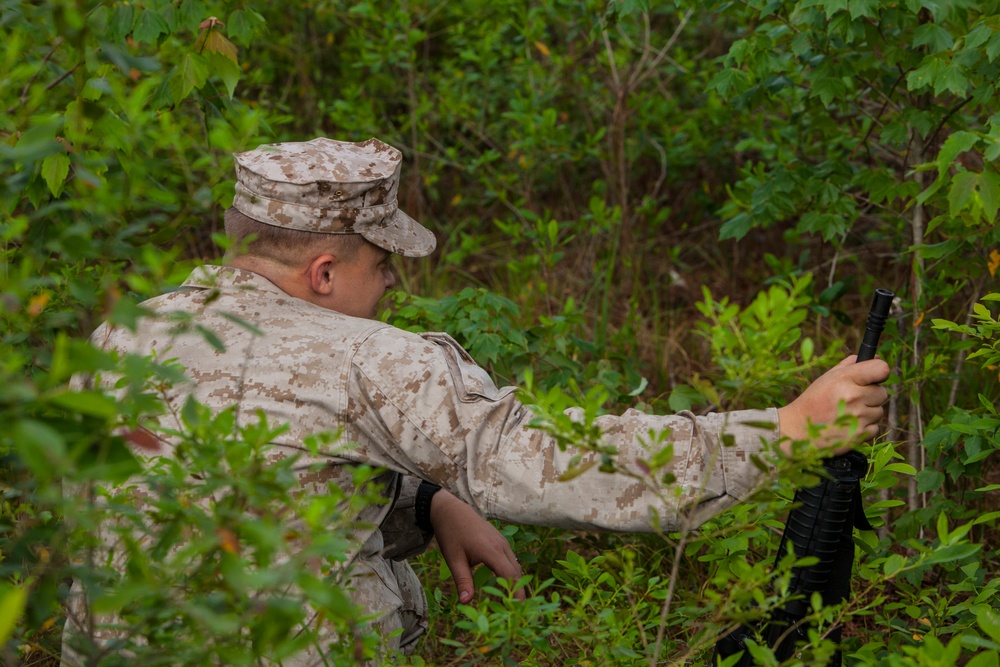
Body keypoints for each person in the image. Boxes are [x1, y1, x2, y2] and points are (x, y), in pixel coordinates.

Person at [62, 137, 889, 665]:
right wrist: (782, 428)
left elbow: (250, 489)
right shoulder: (367, 359)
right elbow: (556, 463)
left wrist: (424, 500)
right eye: (383, 266)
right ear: (323, 273)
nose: (391, 287)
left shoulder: (122, 338)